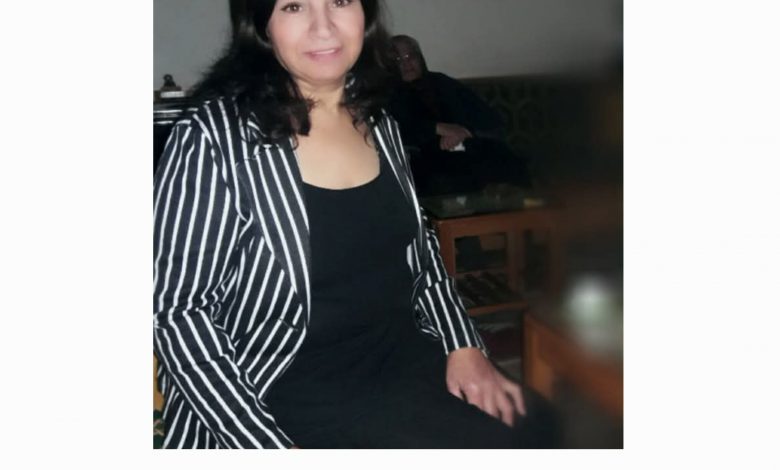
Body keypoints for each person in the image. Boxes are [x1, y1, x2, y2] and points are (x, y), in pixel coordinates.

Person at [153, 0, 556, 449]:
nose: (323, 27)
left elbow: (419, 249)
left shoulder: (379, 120)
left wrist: (464, 345)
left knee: (538, 426)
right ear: (263, 26)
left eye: (341, 1)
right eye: (294, 6)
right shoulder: (213, 137)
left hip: (400, 356)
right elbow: (177, 312)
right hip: (274, 390)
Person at [388, 34, 533, 196]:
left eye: (410, 56)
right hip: (427, 158)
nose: (406, 64)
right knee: (444, 175)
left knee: (501, 157)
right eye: (398, 60)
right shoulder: (389, 94)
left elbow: (489, 116)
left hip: (466, 146)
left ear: (419, 58)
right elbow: (397, 130)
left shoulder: (441, 82)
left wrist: (464, 131)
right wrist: (438, 128)